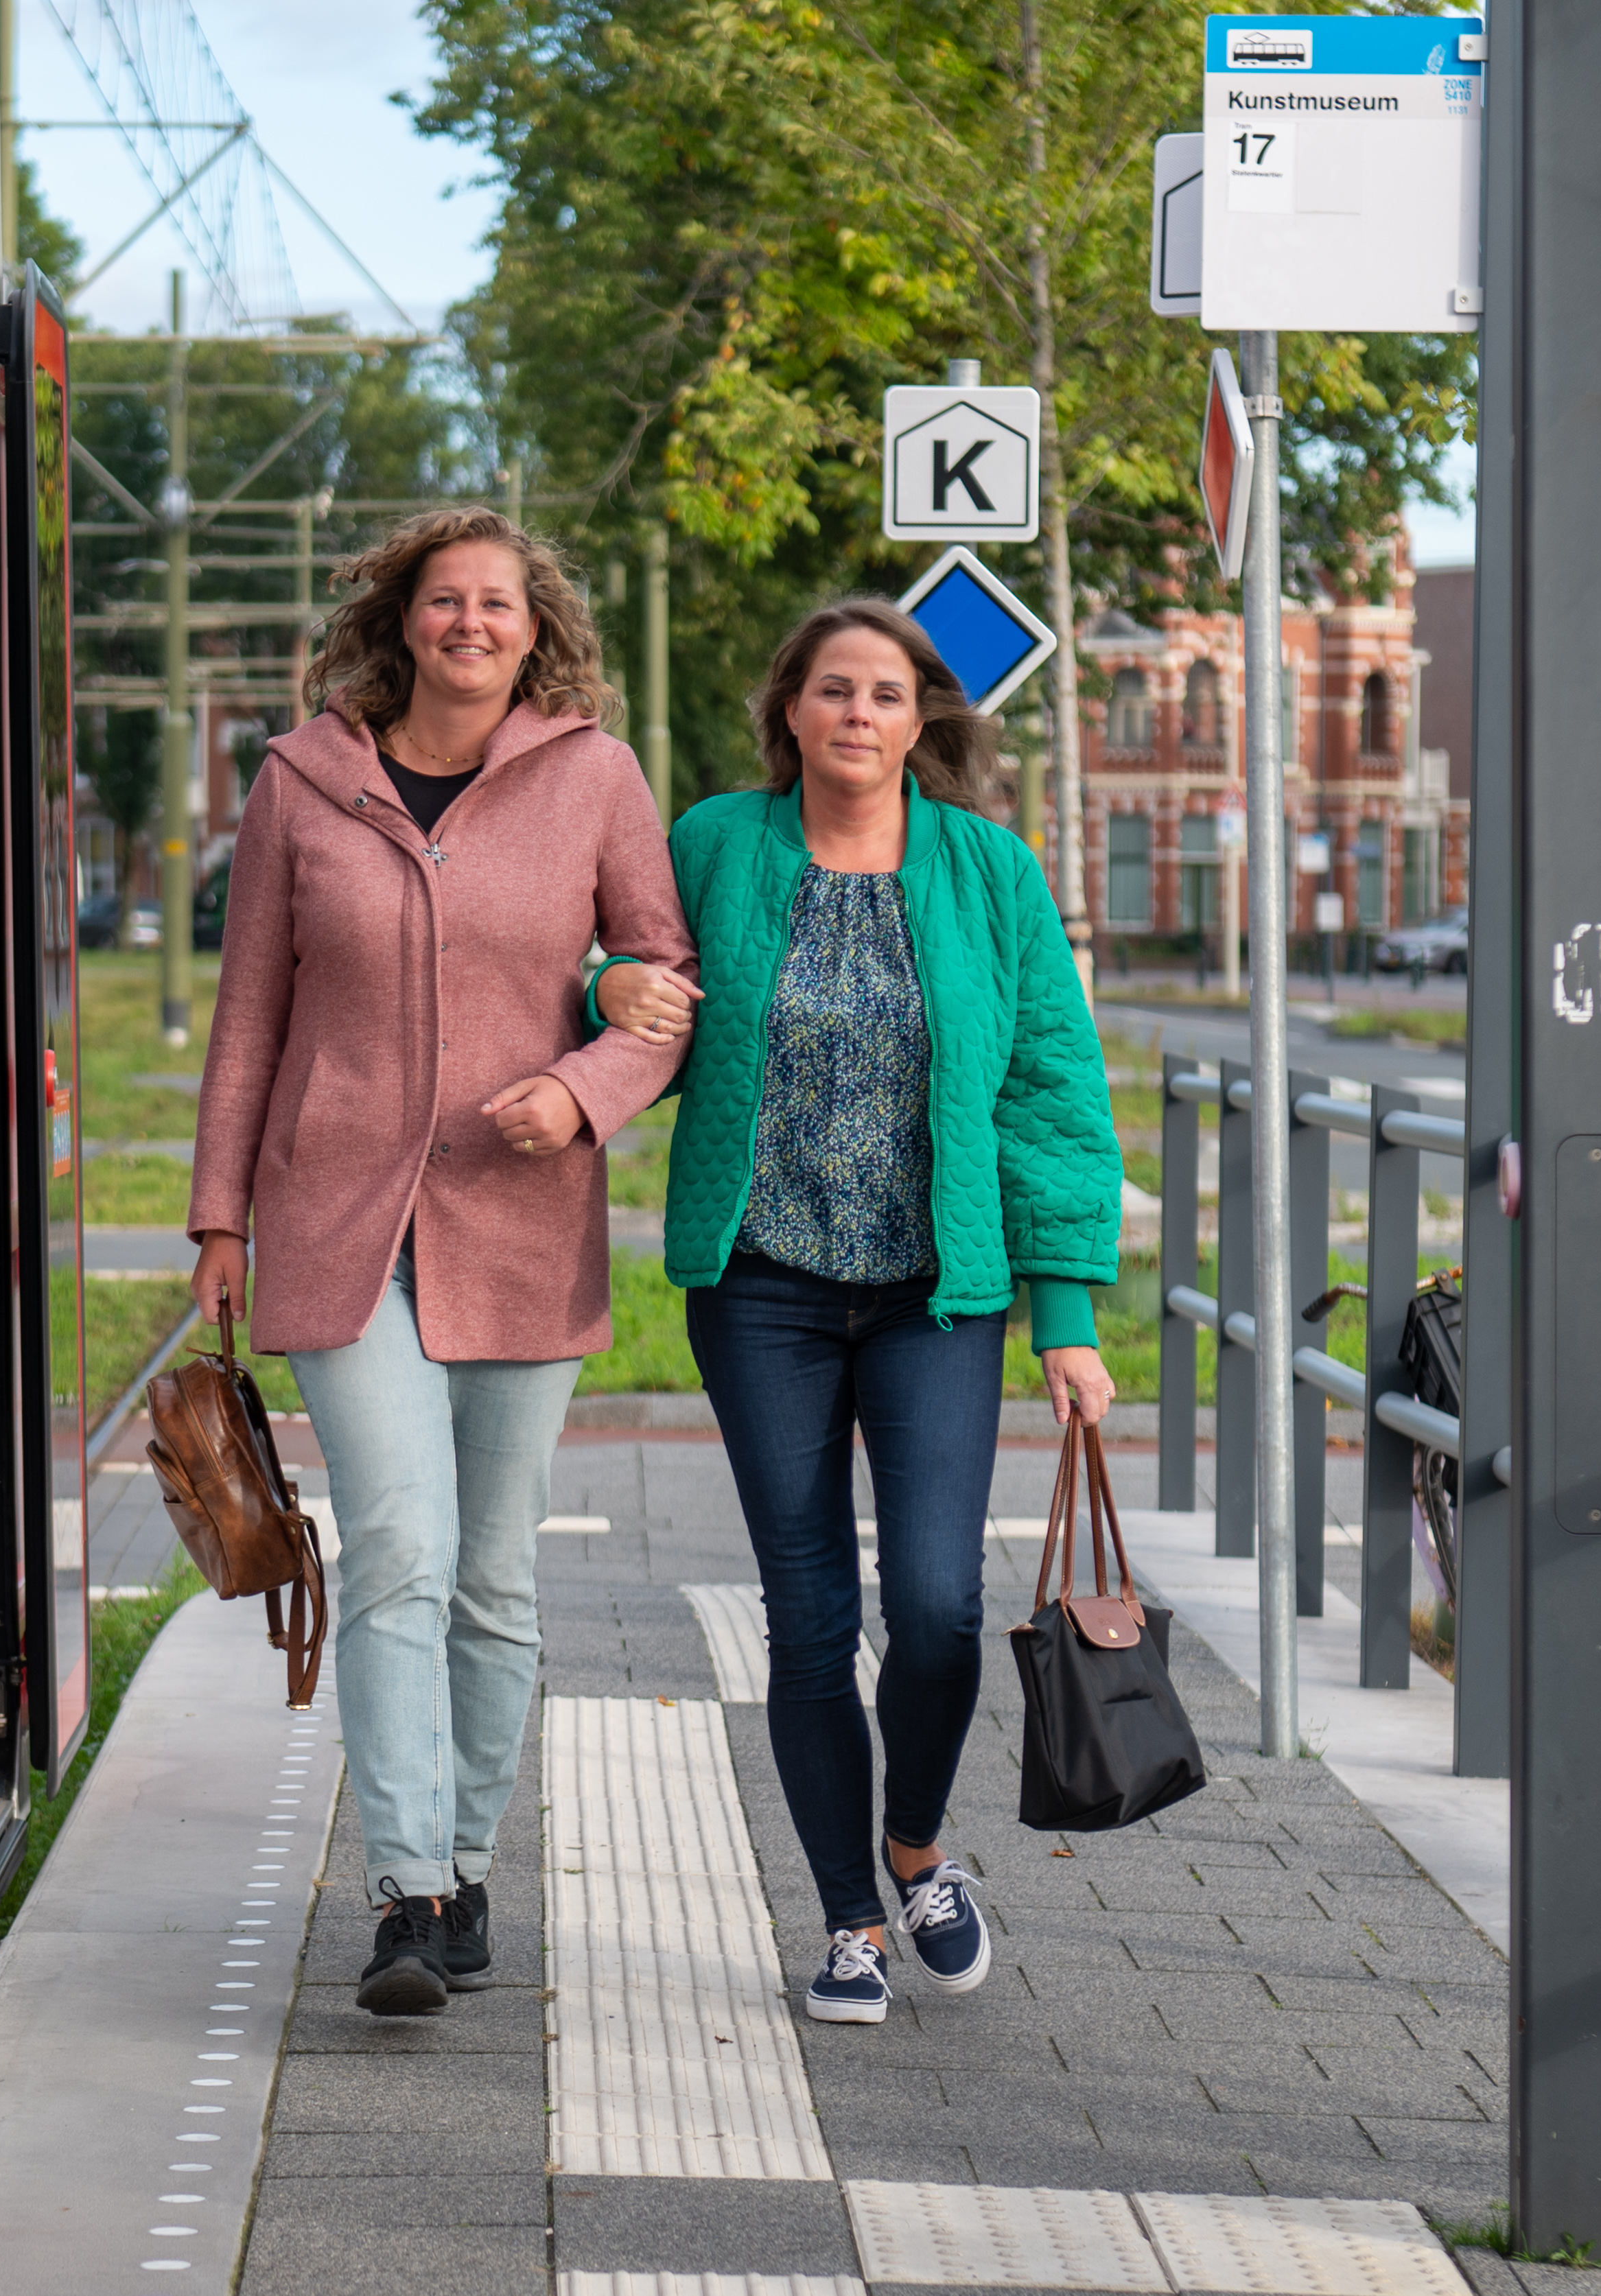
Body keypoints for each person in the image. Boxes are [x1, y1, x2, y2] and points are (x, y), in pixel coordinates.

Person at [189, 506, 694, 2018]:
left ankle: (469, 1863)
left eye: (498, 603)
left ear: (535, 630)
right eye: (444, 599)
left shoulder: (596, 775)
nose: (470, 621)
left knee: (493, 1573)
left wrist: (585, 1092)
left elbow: (664, 986)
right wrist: (220, 1215)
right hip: (339, 1222)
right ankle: (406, 1884)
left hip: (523, 1221)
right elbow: (249, 1014)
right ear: (400, 618)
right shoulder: (303, 779)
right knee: (400, 1544)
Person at [596, 598, 1119, 2024]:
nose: (857, 714)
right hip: (761, 1284)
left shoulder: (989, 870)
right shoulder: (716, 843)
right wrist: (607, 981)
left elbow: (1051, 1088)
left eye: (885, 693)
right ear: (790, 709)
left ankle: (919, 1848)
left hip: (933, 1294)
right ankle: (848, 1920)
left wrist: (1067, 1312)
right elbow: (615, 966)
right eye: (832, 688)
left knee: (940, 1606)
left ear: (920, 719)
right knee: (810, 1615)